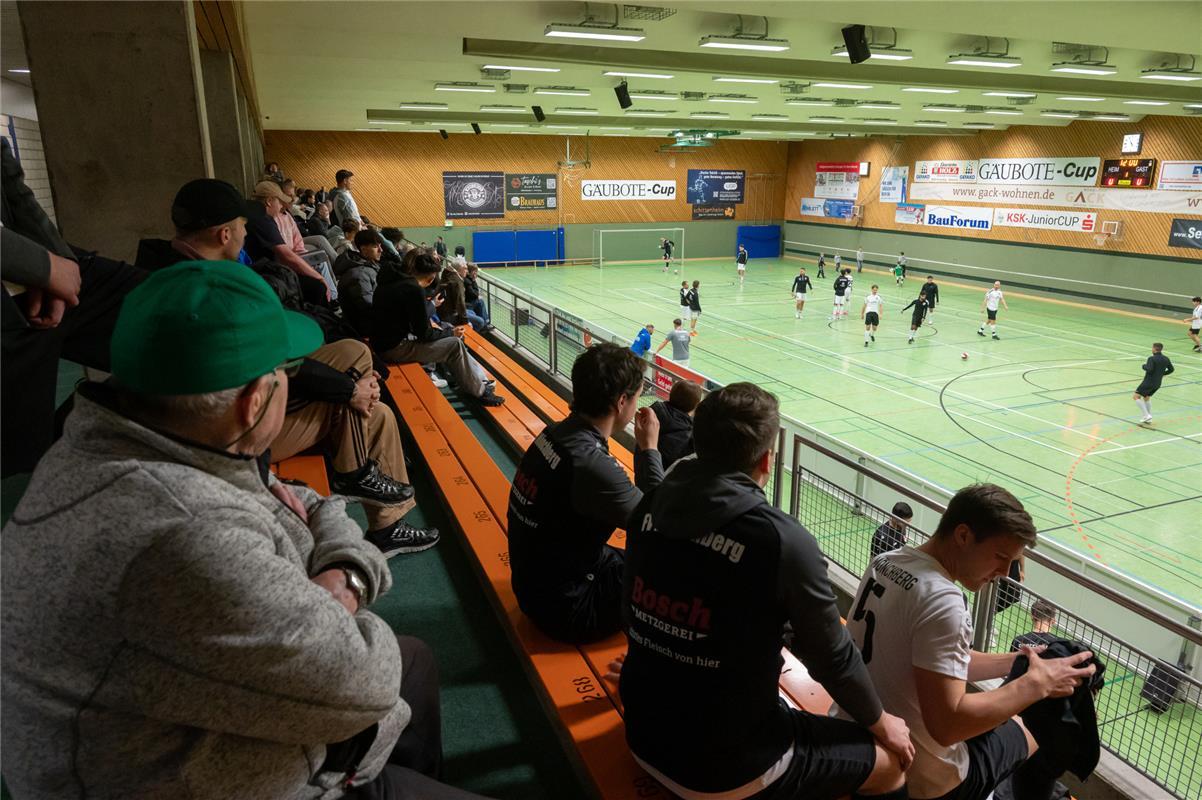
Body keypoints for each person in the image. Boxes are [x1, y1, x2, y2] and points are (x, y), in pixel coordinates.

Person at [0, 261, 490, 799]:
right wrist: (348, 578)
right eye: (286, 371)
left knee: (413, 661)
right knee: (392, 671)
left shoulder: (116, 437)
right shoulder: (187, 533)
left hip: (158, 724)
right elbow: (367, 682)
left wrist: (328, 536)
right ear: (254, 402)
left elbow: (301, 499)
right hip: (205, 777)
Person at [620, 382, 915, 800]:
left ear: (696, 442)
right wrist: (883, 722)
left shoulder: (648, 507)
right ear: (766, 459)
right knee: (890, 765)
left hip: (643, 731)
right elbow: (831, 656)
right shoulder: (781, 541)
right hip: (728, 766)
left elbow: (633, 610)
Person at [838, 483, 1097, 800]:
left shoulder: (887, 561)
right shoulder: (943, 600)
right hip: (923, 780)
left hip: (855, 740)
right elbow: (947, 727)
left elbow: (939, 660)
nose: (1004, 572)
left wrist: (1019, 661)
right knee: (1043, 718)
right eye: (1000, 557)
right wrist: (1036, 686)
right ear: (963, 535)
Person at [1, 138, 147, 476]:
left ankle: (72, 447)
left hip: (25, 264)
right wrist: (41, 267)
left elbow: (6, 173)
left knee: (180, 319)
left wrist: (60, 262)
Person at [508, 343, 665, 643]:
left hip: (536, 585)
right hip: (567, 609)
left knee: (633, 558)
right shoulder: (590, 464)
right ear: (622, 402)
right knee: (670, 572)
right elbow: (657, 525)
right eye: (637, 397)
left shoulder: (554, 434)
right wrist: (649, 449)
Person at [370, 249, 504, 407]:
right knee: (455, 344)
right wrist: (451, 332)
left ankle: (473, 381)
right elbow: (424, 334)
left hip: (381, 343)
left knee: (448, 338)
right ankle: (479, 391)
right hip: (393, 349)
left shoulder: (389, 280)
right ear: (431, 278)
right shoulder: (413, 290)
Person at [244, 180, 331, 299]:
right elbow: (285, 255)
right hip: (262, 274)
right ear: (269, 201)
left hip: (260, 269)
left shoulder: (253, 212)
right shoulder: (262, 218)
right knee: (317, 286)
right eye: (279, 202)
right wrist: (319, 277)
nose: (281, 206)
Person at [643, 379, 703, 469]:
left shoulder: (654, 411)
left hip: (643, 464)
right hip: (663, 473)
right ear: (695, 406)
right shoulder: (690, 434)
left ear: (671, 394)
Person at [335, 229, 384, 333]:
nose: (381, 250)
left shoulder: (369, 265)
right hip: (363, 328)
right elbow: (368, 307)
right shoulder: (360, 275)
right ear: (364, 249)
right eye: (376, 247)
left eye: (380, 246)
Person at [1133, 342, 1174, 424]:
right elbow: (1171, 369)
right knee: (1146, 397)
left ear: (1154, 349)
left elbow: (1149, 369)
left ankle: (1146, 415)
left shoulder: (1151, 358)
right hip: (1157, 383)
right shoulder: (1166, 358)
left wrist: (1144, 366)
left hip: (1149, 382)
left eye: (1152, 348)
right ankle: (1149, 418)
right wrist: (1162, 374)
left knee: (1136, 396)